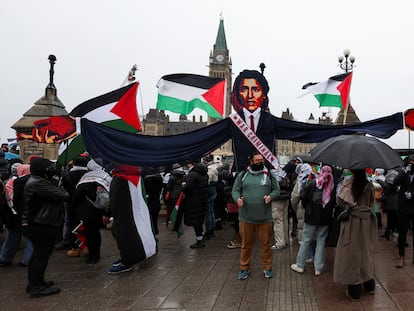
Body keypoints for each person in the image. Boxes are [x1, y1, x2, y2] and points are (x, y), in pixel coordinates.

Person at [21, 158, 69, 297]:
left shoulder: (39, 180)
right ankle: (37, 287)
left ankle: (35, 281)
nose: (51, 169)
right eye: (49, 167)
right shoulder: (38, 183)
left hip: (39, 223)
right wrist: (60, 185)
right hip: (41, 224)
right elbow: (63, 195)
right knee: (41, 255)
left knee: (38, 254)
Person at [231, 151, 280, 279]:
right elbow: (235, 190)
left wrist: (271, 196)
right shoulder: (243, 175)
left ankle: (267, 268)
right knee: (246, 245)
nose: (260, 162)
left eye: (261, 160)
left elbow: (277, 190)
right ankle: (244, 268)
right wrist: (237, 199)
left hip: (264, 218)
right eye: (257, 160)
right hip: (246, 217)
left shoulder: (269, 174)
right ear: (251, 161)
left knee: (265, 245)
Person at [333, 169, 376, 301]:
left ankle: (354, 289)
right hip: (366, 223)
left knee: (351, 253)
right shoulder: (370, 186)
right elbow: (371, 203)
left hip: (352, 223)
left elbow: (340, 202)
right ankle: (370, 285)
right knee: (365, 252)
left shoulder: (347, 184)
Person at [291, 165, 335, 276]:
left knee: (306, 240)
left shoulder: (312, 184)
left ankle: (300, 265)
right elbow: (334, 203)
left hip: (311, 217)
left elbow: (304, 198)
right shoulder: (332, 186)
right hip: (325, 219)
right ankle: (318, 268)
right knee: (321, 241)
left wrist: (309, 209)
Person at [73, 159, 112, 265]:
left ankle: (93, 255)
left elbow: (76, 196)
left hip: (87, 212)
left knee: (90, 233)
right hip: (100, 211)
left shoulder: (85, 179)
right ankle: (96, 254)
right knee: (96, 233)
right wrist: (108, 213)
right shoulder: (105, 177)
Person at [0, 164, 33, 267]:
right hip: (27, 213)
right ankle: (27, 260)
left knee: (12, 236)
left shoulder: (9, 182)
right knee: (30, 238)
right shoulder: (32, 182)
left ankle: (5, 257)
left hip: (12, 213)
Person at [61, 156, 89, 257]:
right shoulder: (88, 175)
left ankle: (75, 248)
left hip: (71, 204)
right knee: (86, 226)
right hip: (86, 204)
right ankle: (86, 247)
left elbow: (63, 190)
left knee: (73, 226)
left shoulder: (68, 176)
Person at [180, 160, 209, 248]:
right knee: (199, 220)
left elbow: (188, 187)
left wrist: (183, 186)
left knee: (195, 221)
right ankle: (200, 238)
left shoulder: (192, 174)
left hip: (193, 201)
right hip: (202, 200)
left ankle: (199, 240)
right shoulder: (204, 174)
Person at [393, 155, 414, 268]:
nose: (411, 164)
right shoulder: (404, 173)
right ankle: (401, 257)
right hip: (403, 207)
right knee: (402, 233)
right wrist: (403, 173)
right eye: (410, 162)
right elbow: (395, 183)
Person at [270, 166, 291, 250]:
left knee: (278, 221)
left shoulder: (271, 175)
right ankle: (285, 240)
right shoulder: (283, 174)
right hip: (285, 199)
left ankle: (280, 243)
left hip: (276, 200)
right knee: (284, 220)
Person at [143, 167, 163, 239]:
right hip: (156, 201)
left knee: (148, 220)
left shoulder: (145, 180)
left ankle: (151, 234)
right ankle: (155, 233)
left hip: (148, 202)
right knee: (155, 219)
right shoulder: (159, 179)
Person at [203, 155, 219, 239]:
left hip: (209, 191)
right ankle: (212, 228)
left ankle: (208, 230)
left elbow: (207, 181)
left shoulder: (209, 169)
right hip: (213, 190)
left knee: (208, 212)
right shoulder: (215, 168)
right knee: (211, 211)